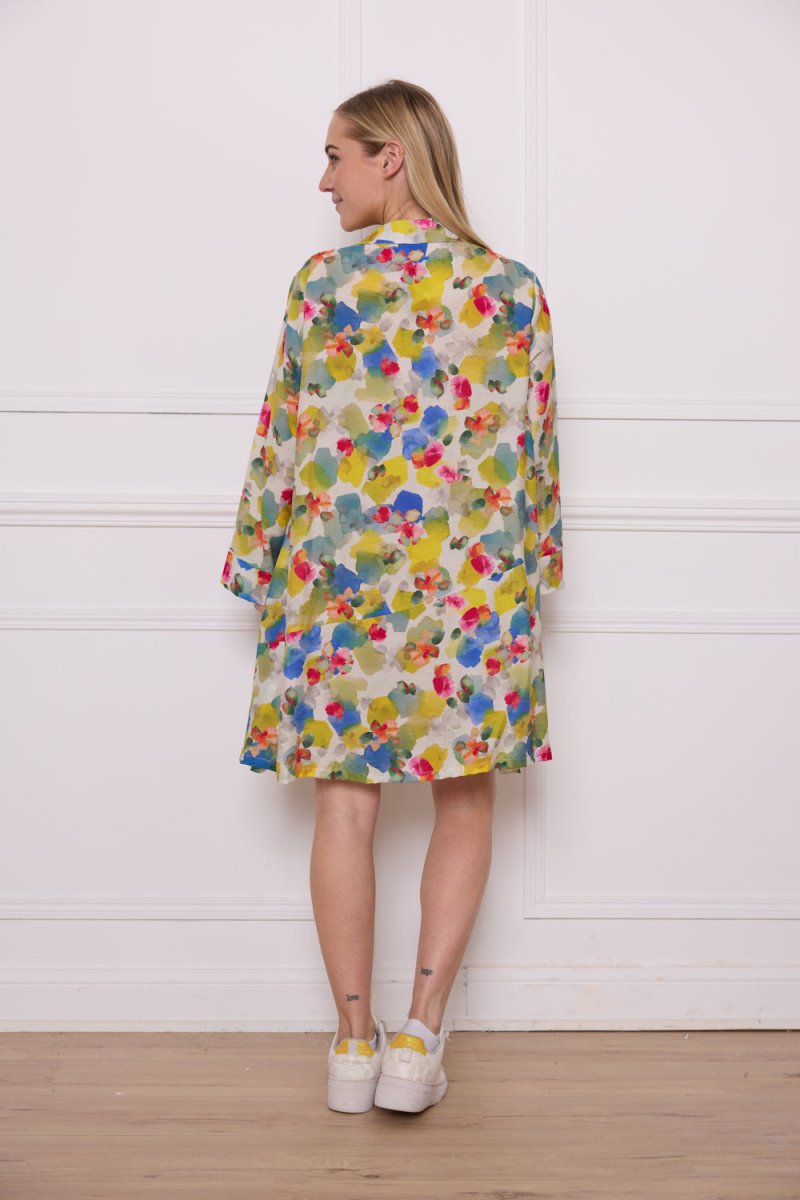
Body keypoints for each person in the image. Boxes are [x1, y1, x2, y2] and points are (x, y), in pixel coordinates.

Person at [219, 79, 564, 1113]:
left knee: (344, 804)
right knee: (466, 796)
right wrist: (534, 571)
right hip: (470, 588)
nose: (323, 180)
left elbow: (282, 437)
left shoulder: (323, 285)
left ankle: (352, 1045)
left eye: (335, 155)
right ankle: (417, 1040)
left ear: (391, 157)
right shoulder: (511, 290)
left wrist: (255, 561)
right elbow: (534, 458)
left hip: (336, 590)